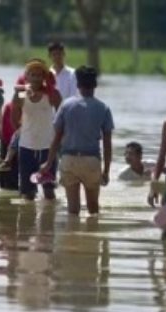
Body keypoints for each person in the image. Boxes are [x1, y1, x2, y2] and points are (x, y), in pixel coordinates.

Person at [41, 66, 113, 214]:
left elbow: (57, 138)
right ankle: (92, 235)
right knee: (93, 209)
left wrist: (48, 163)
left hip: (69, 160)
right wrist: (106, 171)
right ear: (95, 85)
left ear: (78, 85)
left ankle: (73, 235)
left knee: (72, 210)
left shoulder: (66, 105)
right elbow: (107, 145)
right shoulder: (103, 108)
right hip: (91, 161)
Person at [12, 59, 62, 200]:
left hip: (48, 147)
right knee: (27, 193)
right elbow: (14, 115)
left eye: (39, 75)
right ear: (27, 77)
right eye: (32, 75)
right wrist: (20, 131)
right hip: (26, 146)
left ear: (44, 77)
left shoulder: (53, 94)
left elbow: (62, 118)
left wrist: (60, 140)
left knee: (49, 191)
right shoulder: (22, 93)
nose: (36, 78)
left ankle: (48, 219)